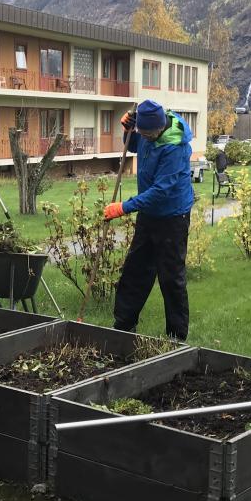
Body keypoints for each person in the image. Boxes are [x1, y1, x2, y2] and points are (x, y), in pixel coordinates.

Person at [103, 99, 195, 340]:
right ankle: (123, 326)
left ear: (160, 127)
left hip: (173, 216)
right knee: (135, 271)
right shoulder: (147, 133)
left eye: (148, 134)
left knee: (170, 277)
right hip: (149, 215)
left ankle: (176, 337)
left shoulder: (175, 146)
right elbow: (134, 146)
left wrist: (124, 207)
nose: (145, 137)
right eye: (141, 132)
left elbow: (161, 190)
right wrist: (128, 132)